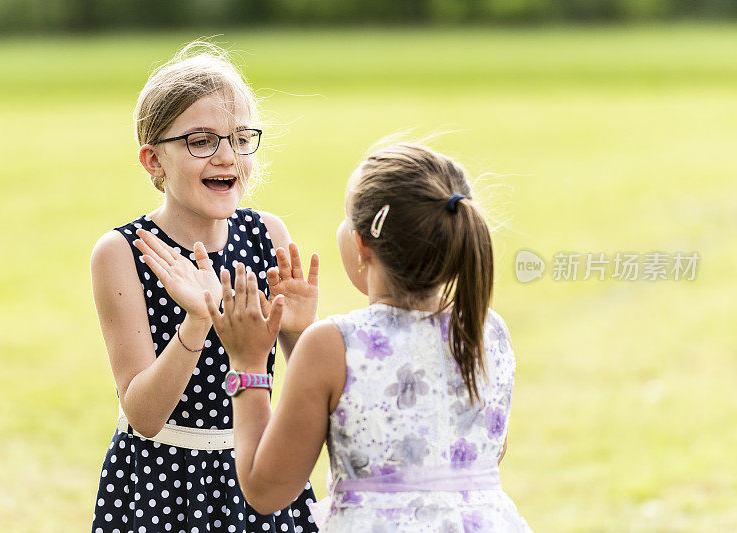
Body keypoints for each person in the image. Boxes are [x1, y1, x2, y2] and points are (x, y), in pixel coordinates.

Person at [172, 141, 534, 531]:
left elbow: (265, 490)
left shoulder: (333, 344)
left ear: (362, 244)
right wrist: (300, 332)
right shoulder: (487, 329)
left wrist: (248, 363)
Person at [90, 41, 319, 532]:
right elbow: (144, 415)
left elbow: (309, 392)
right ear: (153, 160)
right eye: (200, 141)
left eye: (239, 138)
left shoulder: (268, 235)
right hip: (162, 484)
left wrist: (302, 331)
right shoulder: (123, 252)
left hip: (258, 467)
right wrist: (197, 319)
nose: (226, 157)